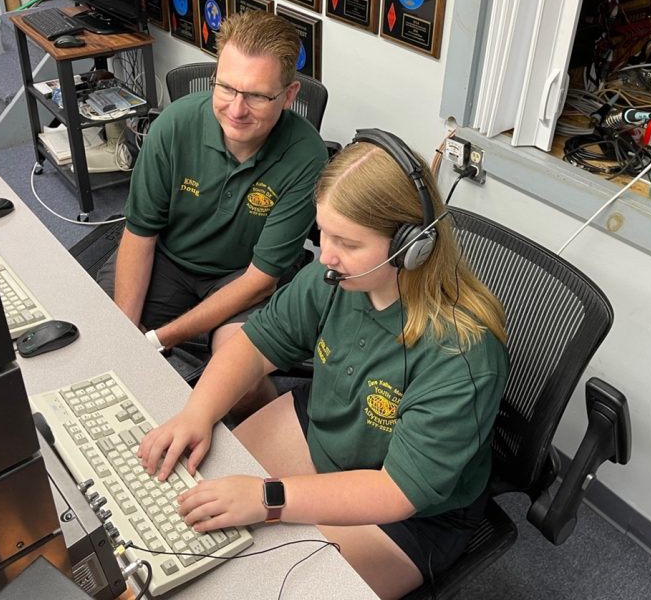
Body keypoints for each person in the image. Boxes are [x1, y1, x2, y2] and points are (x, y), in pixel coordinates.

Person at [138, 131, 510, 599]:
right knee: (191, 505)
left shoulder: (462, 353)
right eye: (324, 232)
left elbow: (397, 492)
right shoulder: (333, 279)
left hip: (410, 513)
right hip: (330, 427)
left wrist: (268, 498)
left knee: (257, 584)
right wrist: (196, 414)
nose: (326, 256)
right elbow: (253, 344)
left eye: (348, 243)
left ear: (411, 246)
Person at [98, 11, 328, 415]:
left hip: (246, 277)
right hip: (172, 260)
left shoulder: (306, 154)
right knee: (106, 333)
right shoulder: (174, 125)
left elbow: (259, 281)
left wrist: (158, 339)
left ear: (289, 95)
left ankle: (265, 445)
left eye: (257, 95)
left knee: (237, 382)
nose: (237, 109)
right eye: (226, 88)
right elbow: (140, 234)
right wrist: (126, 339)